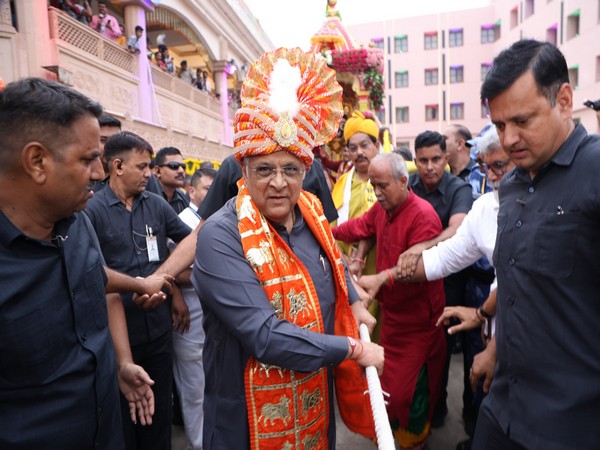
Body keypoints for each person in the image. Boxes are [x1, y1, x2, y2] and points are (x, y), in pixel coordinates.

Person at [192, 47, 384, 450]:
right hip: (245, 423)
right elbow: (264, 336)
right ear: (242, 171)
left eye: (290, 170)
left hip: (313, 406)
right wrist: (353, 346)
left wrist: (353, 299)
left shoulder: (311, 209)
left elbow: (333, 261)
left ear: (305, 171)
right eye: (264, 169)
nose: (279, 183)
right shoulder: (221, 237)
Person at [0, 77, 156, 448]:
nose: (100, 174)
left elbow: (94, 282)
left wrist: (120, 363)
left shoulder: (78, 221)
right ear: (37, 161)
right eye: (87, 160)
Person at [473, 39, 600, 450]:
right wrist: (494, 348)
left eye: (522, 121)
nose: (508, 140)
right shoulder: (511, 184)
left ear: (564, 100)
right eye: (499, 125)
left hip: (570, 425)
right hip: (502, 409)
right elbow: (517, 283)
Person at [395, 125, 514, 450]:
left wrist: (491, 342)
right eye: (485, 167)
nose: (491, 175)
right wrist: (389, 276)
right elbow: (448, 256)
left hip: (525, 338)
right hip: (488, 317)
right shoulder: (487, 207)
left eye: (498, 166)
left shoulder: (541, 203)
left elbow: (519, 282)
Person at [84, 131, 192, 450]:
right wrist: (138, 286)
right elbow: (94, 275)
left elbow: (187, 242)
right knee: (125, 416)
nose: (149, 173)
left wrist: (172, 290)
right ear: (117, 166)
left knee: (158, 415)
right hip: (117, 340)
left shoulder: (157, 206)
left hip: (158, 330)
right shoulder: (92, 211)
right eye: (142, 166)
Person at [334, 152, 446, 450]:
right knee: (387, 387)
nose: (377, 193)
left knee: (410, 393)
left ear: (403, 181)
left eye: (382, 186)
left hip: (419, 324)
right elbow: (357, 227)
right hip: (392, 319)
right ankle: (390, 436)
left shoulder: (423, 215)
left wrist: (382, 277)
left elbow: (419, 270)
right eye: (373, 186)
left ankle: (413, 442)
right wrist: (323, 232)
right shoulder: (383, 210)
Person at [169, 167, 216, 450]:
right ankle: (198, 444)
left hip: (210, 320)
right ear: (192, 191)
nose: (213, 195)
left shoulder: (213, 220)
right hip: (188, 320)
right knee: (194, 390)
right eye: (208, 189)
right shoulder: (182, 221)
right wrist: (215, 274)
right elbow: (170, 270)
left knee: (212, 386)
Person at [152, 146, 189, 214]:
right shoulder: (146, 196)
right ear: (158, 171)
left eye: (183, 167)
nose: (181, 170)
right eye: (174, 166)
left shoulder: (182, 199)